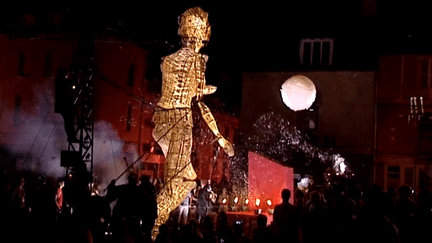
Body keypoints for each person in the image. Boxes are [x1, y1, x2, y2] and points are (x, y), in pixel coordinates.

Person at [151, 6, 234, 239]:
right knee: (180, 181)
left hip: (161, 121)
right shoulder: (198, 61)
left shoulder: (167, 60)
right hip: (179, 122)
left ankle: (155, 221)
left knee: (184, 179)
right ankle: (155, 226)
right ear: (201, 32)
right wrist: (218, 135)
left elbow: (179, 91)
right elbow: (198, 101)